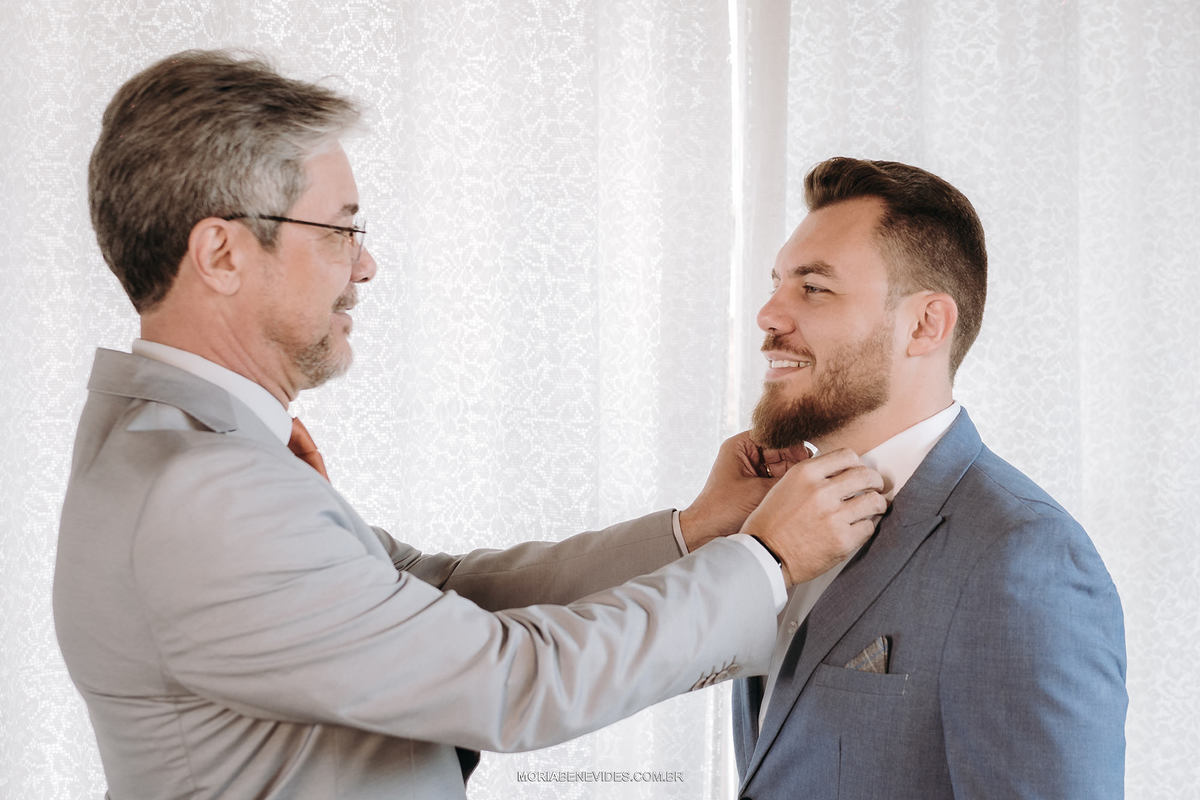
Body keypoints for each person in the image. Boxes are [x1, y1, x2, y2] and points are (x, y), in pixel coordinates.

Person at [53, 51, 886, 800]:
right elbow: (511, 681)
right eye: (341, 228)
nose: (366, 263)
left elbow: (437, 597)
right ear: (222, 253)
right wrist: (766, 560)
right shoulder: (208, 491)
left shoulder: (188, 451)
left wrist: (695, 530)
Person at [731, 157, 1127, 799]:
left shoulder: (1023, 556)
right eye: (777, 283)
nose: (768, 315)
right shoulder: (776, 522)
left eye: (813, 288)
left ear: (925, 325)